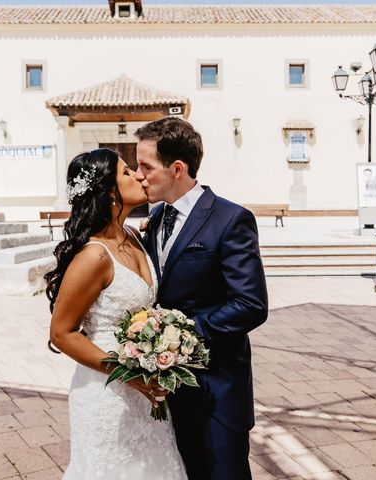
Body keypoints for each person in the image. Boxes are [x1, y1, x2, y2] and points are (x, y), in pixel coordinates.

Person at [135, 117, 269, 480]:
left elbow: (250, 304)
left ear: (177, 168)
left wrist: (181, 338)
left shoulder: (230, 219)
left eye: (146, 166)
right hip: (168, 389)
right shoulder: (157, 215)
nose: (138, 175)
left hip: (217, 389)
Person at [45, 148, 187, 479]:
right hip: (107, 392)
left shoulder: (134, 236)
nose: (138, 175)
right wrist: (128, 373)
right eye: (127, 172)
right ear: (109, 192)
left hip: (146, 388)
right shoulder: (94, 256)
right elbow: (61, 333)